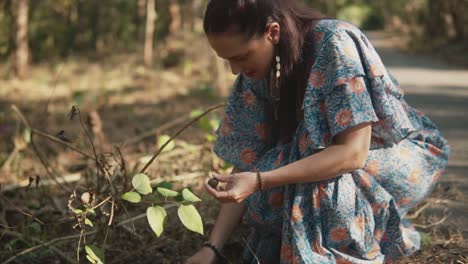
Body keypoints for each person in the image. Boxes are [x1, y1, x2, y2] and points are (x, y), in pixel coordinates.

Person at [185, 0, 450, 263]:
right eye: (227, 60)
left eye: (241, 57)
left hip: (398, 156)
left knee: (311, 176)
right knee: (280, 183)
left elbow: (353, 154)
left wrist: (261, 180)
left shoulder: (335, 43)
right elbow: (247, 161)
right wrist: (212, 247)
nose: (235, 70)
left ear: (273, 32)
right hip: (321, 159)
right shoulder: (258, 72)